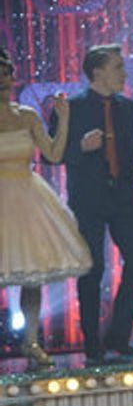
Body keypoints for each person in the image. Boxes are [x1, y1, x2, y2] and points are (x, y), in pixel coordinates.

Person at [48, 44, 133, 367]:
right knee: (92, 270)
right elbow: (52, 154)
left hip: (126, 198)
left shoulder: (129, 108)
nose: (123, 73)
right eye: (118, 67)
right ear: (98, 72)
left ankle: (118, 335)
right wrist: (80, 146)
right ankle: (92, 343)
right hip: (89, 200)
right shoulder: (71, 108)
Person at [0, 47, 91, 369]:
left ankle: (31, 342)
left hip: (26, 196)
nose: (4, 78)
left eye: (7, 72)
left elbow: (53, 153)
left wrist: (63, 120)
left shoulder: (26, 115)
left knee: (32, 274)